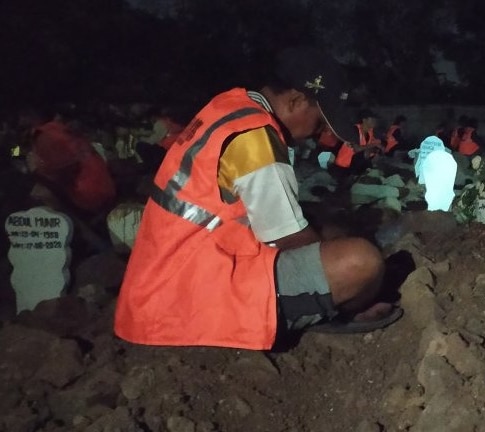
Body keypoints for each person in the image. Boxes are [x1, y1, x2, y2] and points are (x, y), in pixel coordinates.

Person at [114, 46, 403, 351]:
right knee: (362, 262)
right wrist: (358, 277)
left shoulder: (230, 107)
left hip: (163, 283)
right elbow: (289, 235)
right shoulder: (256, 136)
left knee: (327, 227)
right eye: (318, 122)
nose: (317, 133)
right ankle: (325, 312)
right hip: (185, 299)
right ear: (295, 100)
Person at [332, 108, 384, 175]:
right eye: (372, 119)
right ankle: (355, 175)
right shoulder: (354, 130)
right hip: (344, 165)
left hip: (354, 162)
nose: (375, 121)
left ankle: (364, 173)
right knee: (367, 151)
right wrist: (375, 144)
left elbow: (372, 144)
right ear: (364, 120)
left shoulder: (369, 132)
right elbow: (357, 149)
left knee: (375, 151)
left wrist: (377, 148)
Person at [134, 107, 184, 173]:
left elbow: (153, 140)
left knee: (140, 146)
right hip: (164, 147)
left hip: (165, 151)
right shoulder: (166, 124)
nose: (168, 124)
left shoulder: (161, 123)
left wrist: (141, 136)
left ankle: (152, 168)